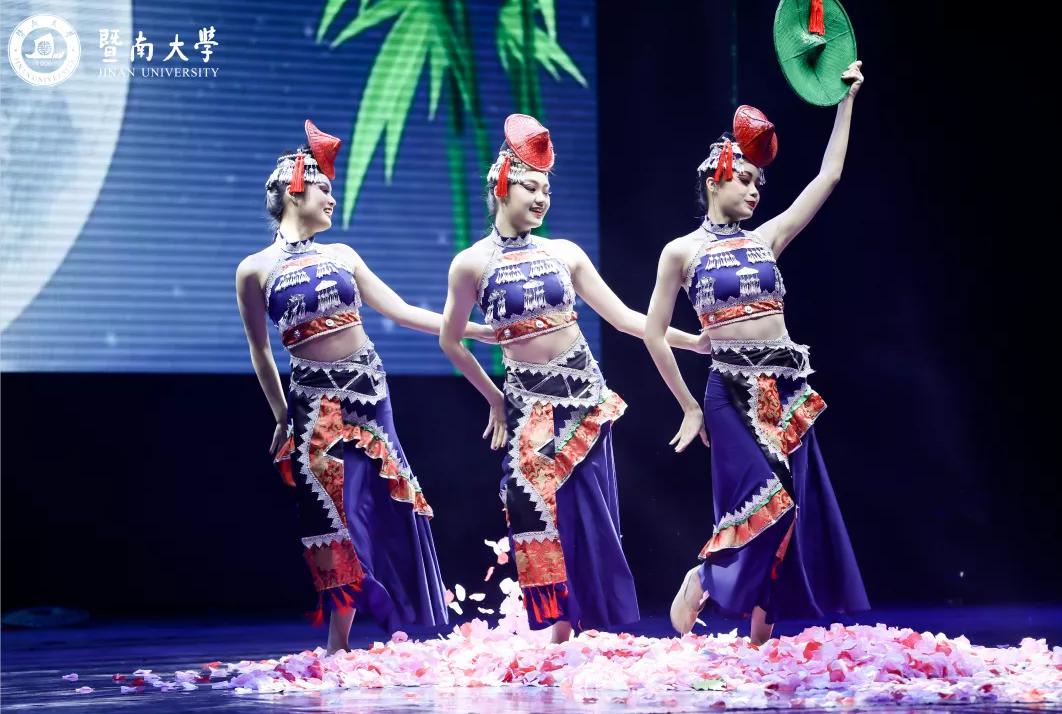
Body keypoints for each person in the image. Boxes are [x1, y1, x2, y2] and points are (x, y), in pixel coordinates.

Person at [438, 114, 707, 643]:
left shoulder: (564, 253)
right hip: (528, 408)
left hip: (584, 403)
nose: (541, 198)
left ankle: (575, 636)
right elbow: (451, 341)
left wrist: (693, 342)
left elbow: (626, 319)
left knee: (585, 519)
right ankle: (562, 635)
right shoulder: (469, 265)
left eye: (546, 189)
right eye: (530, 187)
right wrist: (494, 400)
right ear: (501, 185)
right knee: (534, 514)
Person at [235, 120, 491, 654]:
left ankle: (392, 614)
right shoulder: (254, 270)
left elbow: (401, 310)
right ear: (294, 191)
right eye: (324, 188)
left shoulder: (343, 256)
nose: (332, 198)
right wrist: (281, 414)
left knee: (378, 504)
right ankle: (339, 640)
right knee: (331, 512)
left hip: (368, 397)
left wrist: (476, 330)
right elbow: (261, 351)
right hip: (311, 404)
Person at [642, 63, 870, 645]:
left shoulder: (767, 237)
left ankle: (761, 637)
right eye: (743, 179)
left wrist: (845, 100)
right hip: (730, 394)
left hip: (785, 390)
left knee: (795, 510)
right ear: (714, 179)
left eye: (758, 184)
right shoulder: (681, 253)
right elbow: (653, 332)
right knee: (770, 503)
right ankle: (705, 578)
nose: (753, 190)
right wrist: (690, 406)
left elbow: (829, 175)